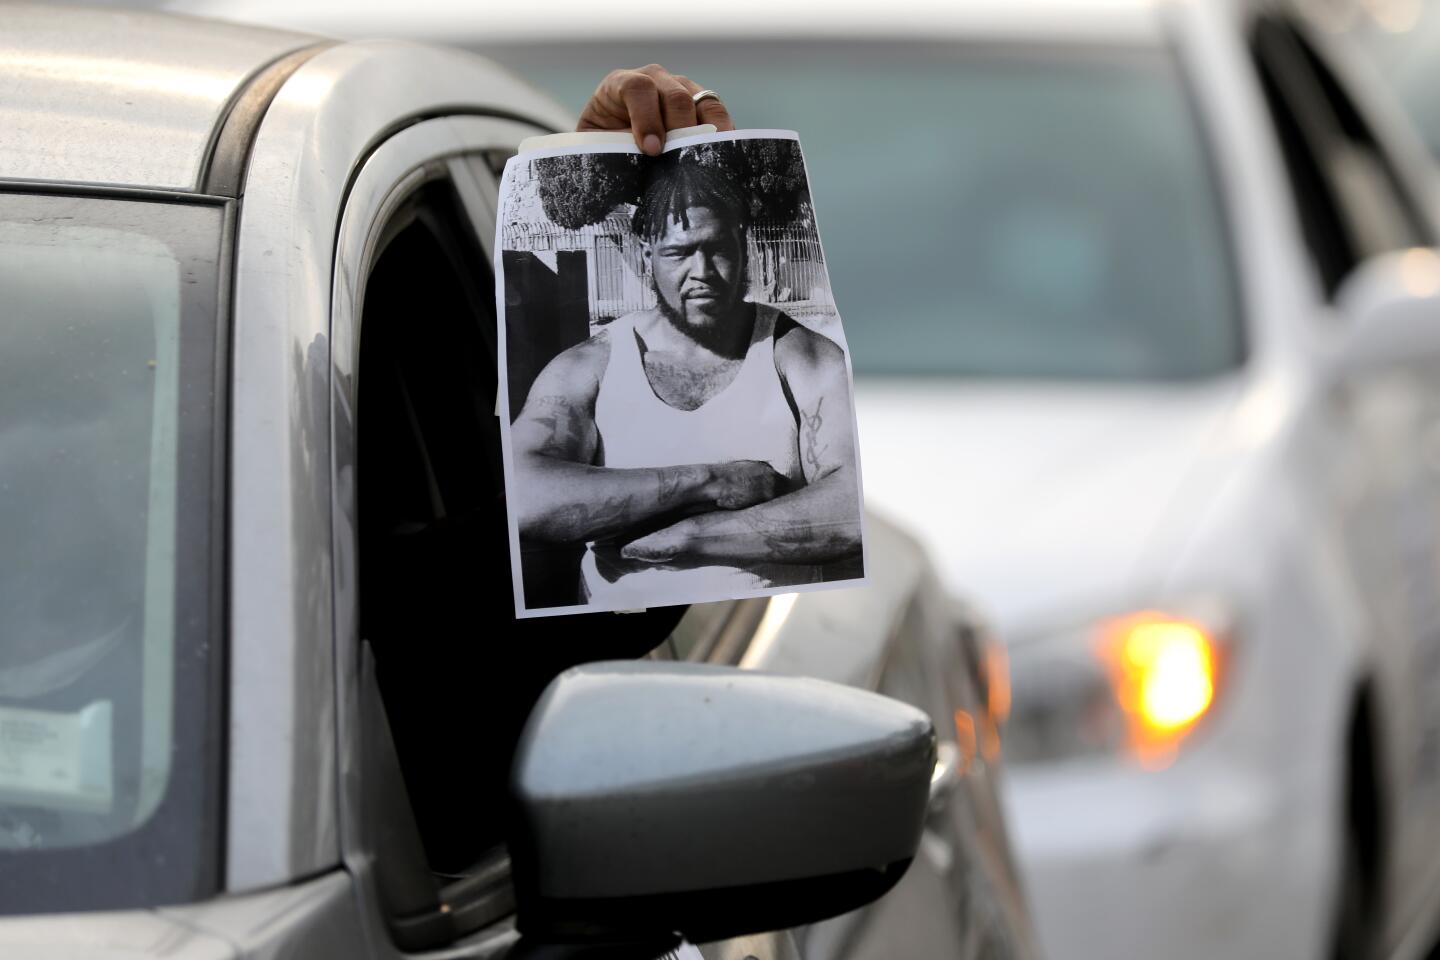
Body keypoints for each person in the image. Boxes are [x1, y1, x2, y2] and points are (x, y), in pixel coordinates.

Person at [510, 67, 863, 606]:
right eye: (679, 253)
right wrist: (708, 482)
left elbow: (848, 506)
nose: (703, 272)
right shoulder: (589, 367)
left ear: (743, 244)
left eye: (717, 248)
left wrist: (690, 537)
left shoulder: (801, 357)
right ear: (645, 255)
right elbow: (526, 497)